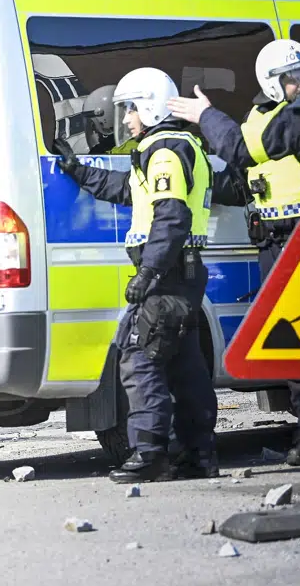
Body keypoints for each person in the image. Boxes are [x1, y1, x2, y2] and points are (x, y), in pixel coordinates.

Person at [168, 38, 300, 465]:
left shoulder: (299, 117)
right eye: (292, 76)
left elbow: (241, 148)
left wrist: (205, 115)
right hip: (294, 239)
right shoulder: (289, 115)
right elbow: (247, 176)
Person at [54, 67, 218, 483]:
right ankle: (198, 455)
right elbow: (128, 189)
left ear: (151, 107)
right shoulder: (175, 147)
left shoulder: (164, 152)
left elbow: (171, 217)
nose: (126, 119)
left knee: (138, 358)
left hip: (166, 274)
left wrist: (147, 273)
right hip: (180, 274)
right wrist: (78, 171)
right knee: (184, 366)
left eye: (130, 109)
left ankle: (149, 454)